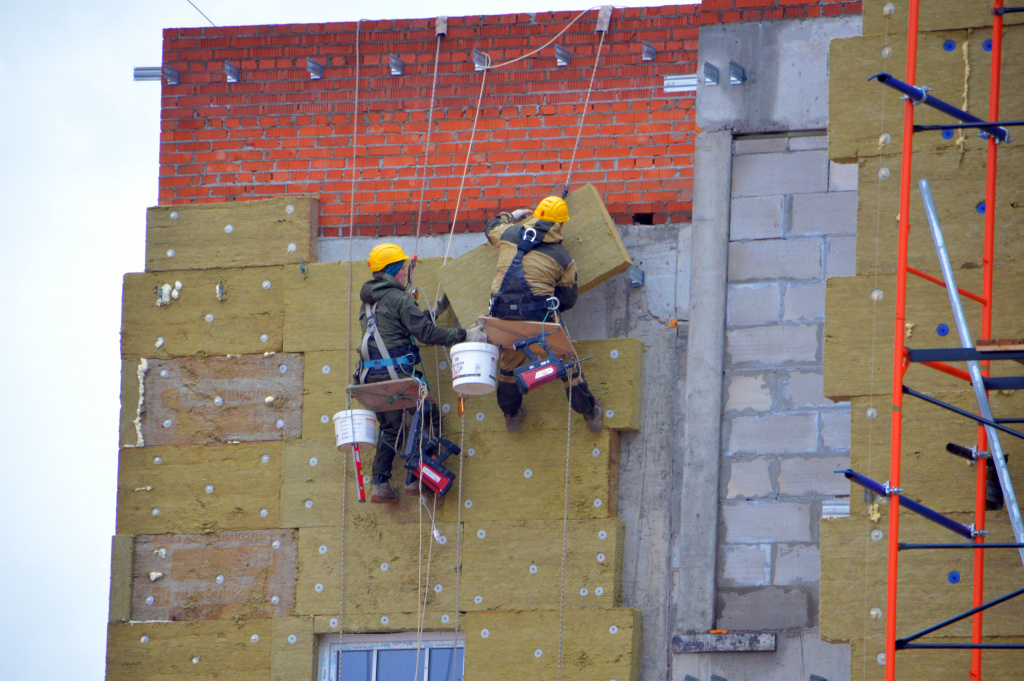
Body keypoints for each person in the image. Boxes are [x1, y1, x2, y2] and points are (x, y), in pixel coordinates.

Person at [356, 243, 485, 503]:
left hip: (369, 378)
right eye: (403, 267)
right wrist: (465, 335)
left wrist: (434, 312)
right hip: (398, 374)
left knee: (391, 427)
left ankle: (380, 484)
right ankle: (414, 479)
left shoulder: (369, 304)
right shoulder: (400, 298)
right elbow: (424, 333)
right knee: (427, 415)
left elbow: (398, 325)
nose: (406, 272)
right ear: (392, 271)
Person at [484, 196, 603, 434]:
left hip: (501, 317)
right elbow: (568, 299)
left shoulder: (509, 234)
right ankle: (590, 413)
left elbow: (491, 227)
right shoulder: (563, 258)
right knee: (567, 364)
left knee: (508, 368)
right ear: (560, 224)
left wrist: (513, 214)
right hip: (539, 321)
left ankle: (510, 415)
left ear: (536, 214)